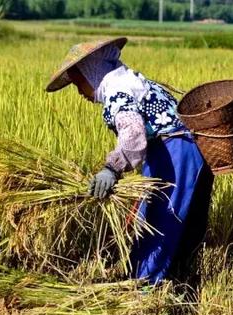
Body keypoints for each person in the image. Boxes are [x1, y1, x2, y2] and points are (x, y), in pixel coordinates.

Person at [45, 37, 214, 283]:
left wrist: (111, 169)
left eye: (78, 82)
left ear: (91, 72)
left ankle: (145, 289)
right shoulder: (131, 79)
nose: (80, 91)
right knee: (182, 224)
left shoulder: (116, 90)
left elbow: (133, 133)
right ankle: (178, 282)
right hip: (189, 153)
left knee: (159, 225)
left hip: (174, 156)